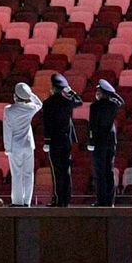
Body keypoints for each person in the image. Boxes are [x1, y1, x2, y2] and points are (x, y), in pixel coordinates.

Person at [40, 73, 82, 207]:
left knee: (57, 171)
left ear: (53, 88)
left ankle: (58, 199)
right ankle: (66, 198)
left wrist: (46, 141)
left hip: (54, 141)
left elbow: (47, 124)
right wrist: (71, 91)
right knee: (66, 170)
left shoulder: (48, 103)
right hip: (66, 140)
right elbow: (79, 101)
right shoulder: (68, 101)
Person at [3, 82, 42, 207]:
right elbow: (39, 104)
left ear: (15, 96)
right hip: (28, 145)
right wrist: (30, 94)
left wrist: (7, 148)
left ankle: (17, 201)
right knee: (28, 174)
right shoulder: (30, 108)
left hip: (15, 146)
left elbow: (7, 130)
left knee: (17, 174)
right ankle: (27, 201)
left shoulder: (9, 110)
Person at [89, 79, 124, 208]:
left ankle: (101, 200)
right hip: (110, 140)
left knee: (99, 172)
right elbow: (122, 101)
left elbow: (92, 125)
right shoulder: (113, 104)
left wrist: (91, 141)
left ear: (101, 92)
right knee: (109, 171)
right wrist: (113, 93)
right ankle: (110, 201)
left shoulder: (95, 106)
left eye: (98, 91)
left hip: (99, 141)